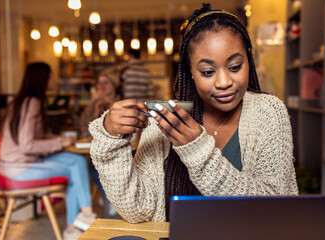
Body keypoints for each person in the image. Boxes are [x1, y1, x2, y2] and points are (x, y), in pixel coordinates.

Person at [89, 3, 298, 223]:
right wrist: (110, 138)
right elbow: (138, 209)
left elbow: (276, 209)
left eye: (235, 67)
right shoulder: (167, 120)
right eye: (208, 72)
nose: (224, 82)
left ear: (249, 61)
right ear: (191, 72)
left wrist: (198, 152)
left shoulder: (268, 112)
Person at [0, 62, 96, 240]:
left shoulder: (22, 101)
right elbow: (27, 145)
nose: (54, 78)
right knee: (76, 165)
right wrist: (60, 141)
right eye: (51, 74)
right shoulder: (33, 102)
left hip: (11, 166)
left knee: (76, 161)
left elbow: (33, 137)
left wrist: (57, 139)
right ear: (43, 77)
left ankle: (79, 220)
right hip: (20, 169)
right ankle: (81, 219)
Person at [80, 69, 121, 219]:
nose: (102, 86)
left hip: (120, 148)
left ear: (114, 85)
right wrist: (96, 114)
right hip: (98, 149)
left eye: (106, 82)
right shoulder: (94, 103)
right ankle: (109, 196)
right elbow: (83, 128)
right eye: (100, 83)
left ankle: (112, 197)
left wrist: (113, 107)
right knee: (91, 165)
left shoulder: (123, 102)